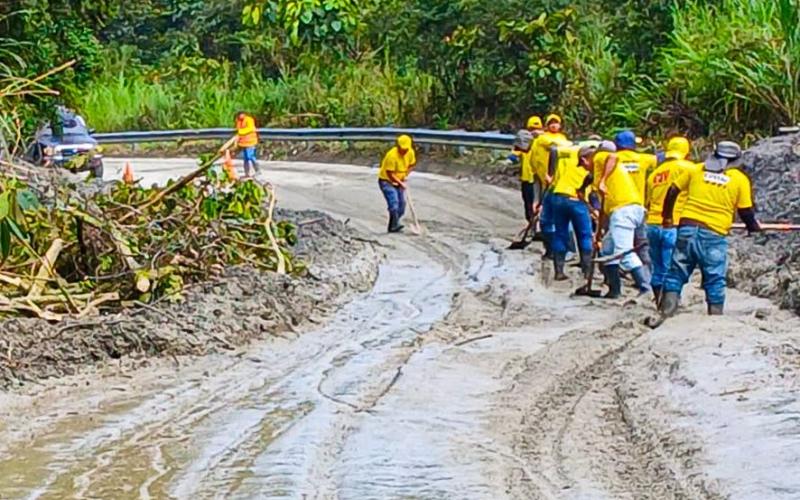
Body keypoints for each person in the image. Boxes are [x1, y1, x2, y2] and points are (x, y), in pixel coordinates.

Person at [656, 141, 760, 318]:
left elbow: (672, 190)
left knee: (676, 272)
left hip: (687, 229)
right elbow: (745, 211)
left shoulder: (695, 170)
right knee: (714, 277)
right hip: (713, 234)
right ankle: (715, 317)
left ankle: (666, 312)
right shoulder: (739, 179)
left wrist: (667, 217)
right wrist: (753, 228)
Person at [645, 137, 700, 304]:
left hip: (653, 224)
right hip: (673, 224)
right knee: (672, 267)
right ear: (686, 153)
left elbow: (647, 201)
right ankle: (669, 303)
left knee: (657, 266)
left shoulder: (654, 174)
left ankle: (658, 300)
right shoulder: (690, 169)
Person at [595, 140, 652, 298]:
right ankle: (614, 290)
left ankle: (646, 288)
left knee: (623, 252)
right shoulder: (608, 173)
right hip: (629, 210)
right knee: (607, 249)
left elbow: (612, 157)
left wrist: (602, 180)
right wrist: (599, 233)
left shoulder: (600, 157)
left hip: (624, 210)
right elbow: (603, 209)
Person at [548, 142, 599, 282]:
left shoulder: (571, 163)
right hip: (576, 201)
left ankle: (558, 271)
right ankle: (587, 271)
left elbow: (555, 151)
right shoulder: (592, 170)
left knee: (560, 233)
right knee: (584, 235)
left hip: (558, 197)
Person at [605, 130, 652, 279]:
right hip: (639, 206)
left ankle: (636, 278)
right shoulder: (642, 159)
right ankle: (649, 277)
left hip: (618, 206)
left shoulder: (612, 159)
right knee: (642, 245)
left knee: (617, 244)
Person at [531, 114, 571, 257]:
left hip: (560, 182)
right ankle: (551, 248)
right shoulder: (543, 139)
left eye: (557, 123)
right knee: (547, 216)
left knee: (556, 217)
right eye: (551, 123)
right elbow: (554, 147)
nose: (554, 125)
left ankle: (560, 248)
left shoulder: (562, 139)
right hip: (546, 180)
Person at [378, 135, 417, 233]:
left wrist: (405, 175)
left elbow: (411, 164)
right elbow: (390, 173)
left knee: (402, 205)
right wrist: (400, 182)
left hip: (399, 181)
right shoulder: (391, 155)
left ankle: (394, 223)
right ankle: (394, 225)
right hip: (387, 181)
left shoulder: (410, 153)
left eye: (405, 149)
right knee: (394, 202)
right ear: (398, 146)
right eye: (401, 149)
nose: (403, 151)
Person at [509, 115, 544, 223]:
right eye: (531, 129)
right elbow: (514, 154)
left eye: (537, 129)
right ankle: (532, 224)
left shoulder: (544, 141)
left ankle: (540, 225)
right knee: (529, 203)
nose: (534, 132)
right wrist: (512, 157)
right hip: (527, 178)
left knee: (540, 204)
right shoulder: (524, 141)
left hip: (540, 179)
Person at [234, 111, 260, 177]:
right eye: (239, 114)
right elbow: (237, 131)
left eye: (241, 114)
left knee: (250, 156)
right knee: (245, 158)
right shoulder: (238, 121)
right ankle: (247, 173)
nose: (240, 116)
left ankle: (257, 169)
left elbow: (250, 128)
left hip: (251, 142)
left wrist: (240, 132)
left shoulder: (249, 120)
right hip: (243, 143)